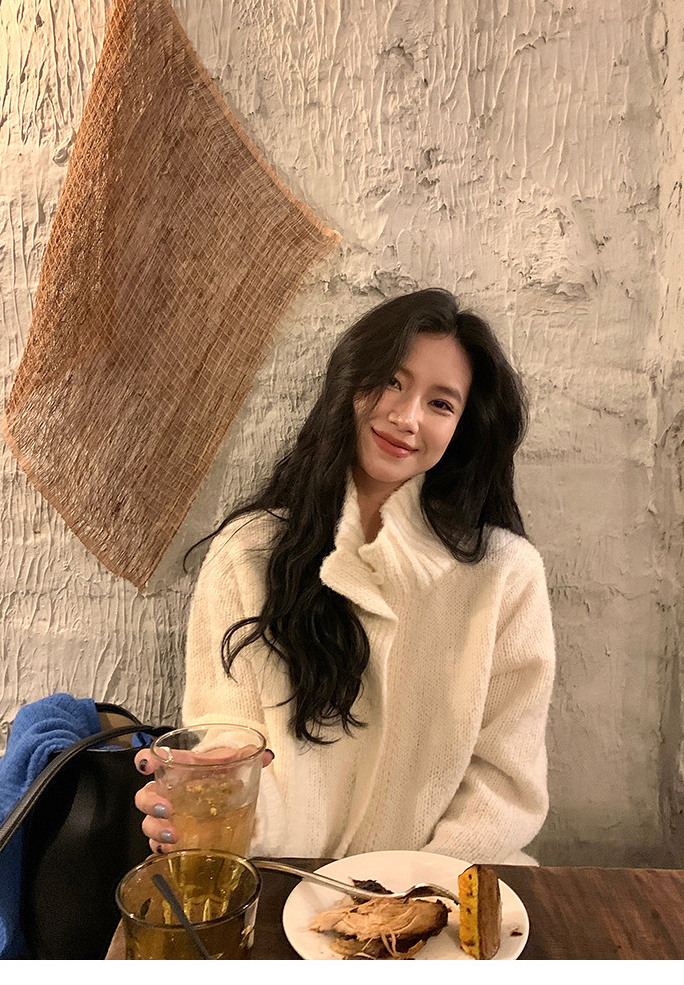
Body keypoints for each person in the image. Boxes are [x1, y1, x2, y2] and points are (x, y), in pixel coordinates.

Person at [135, 288, 554, 864]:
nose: (406, 417)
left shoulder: (505, 574)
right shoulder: (248, 552)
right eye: (392, 381)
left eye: (440, 403)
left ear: (464, 426)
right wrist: (213, 795)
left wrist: (412, 890)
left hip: (446, 889)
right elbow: (227, 733)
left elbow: (504, 782)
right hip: (285, 881)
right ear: (350, 384)